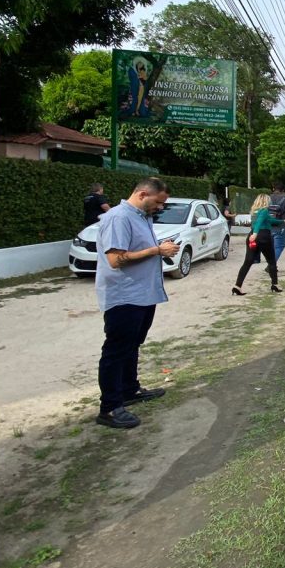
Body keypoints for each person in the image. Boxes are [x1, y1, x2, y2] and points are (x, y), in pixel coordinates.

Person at [94, 177, 179, 429]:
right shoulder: (118, 217)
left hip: (142, 295)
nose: (160, 207)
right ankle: (109, 407)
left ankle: (129, 390)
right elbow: (115, 259)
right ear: (143, 194)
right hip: (124, 297)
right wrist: (156, 251)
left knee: (132, 345)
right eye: (158, 202)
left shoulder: (141, 217)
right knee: (116, 350)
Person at [233, 193, 285, 296]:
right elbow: (259, 222)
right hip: (263, 236)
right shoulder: (264, 211)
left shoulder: (254, 212)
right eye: (269, 200)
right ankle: (275, 284)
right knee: (271, 261)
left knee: (247, 262)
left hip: (252, 236)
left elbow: (270, 220)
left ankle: (237, 286)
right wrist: (255, 233)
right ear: (265, 201)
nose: (270, 202)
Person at [267, 183, 285, 262]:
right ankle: (271, 265)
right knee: (279, 247)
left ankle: (272, 265)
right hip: (281, 225)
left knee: (271, 247)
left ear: (273, 189)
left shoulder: (268, 198)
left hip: (269, 225)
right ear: (283, 190)